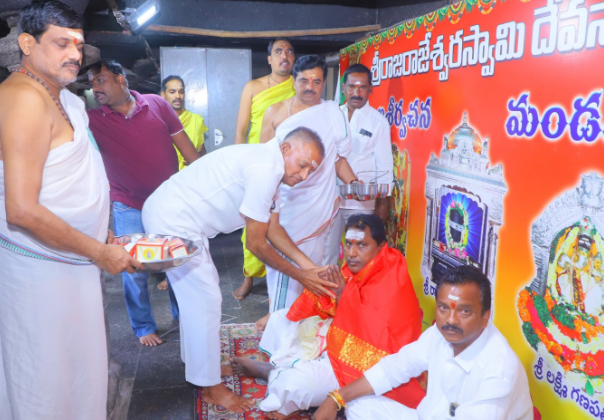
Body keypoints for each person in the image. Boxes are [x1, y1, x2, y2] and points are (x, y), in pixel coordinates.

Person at [0, 2, 140, 418]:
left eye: (79, 44)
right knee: (46, 373)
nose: (74, 53)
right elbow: (22, 211)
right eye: (61, 43)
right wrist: (100, 252)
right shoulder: (23, 101)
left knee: (75, 366)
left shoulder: (60, 95)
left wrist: (99, 233)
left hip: (73, 260)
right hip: (41, 267)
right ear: (28, 44)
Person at [142, 127, 338, 414]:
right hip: (174, 220)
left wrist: (311, 267)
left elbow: (273, 229)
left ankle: (198, 365)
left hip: (177, 217)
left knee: (196, 300)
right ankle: (210, 387)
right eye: (303, 164)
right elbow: (258, 245)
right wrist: (301, 276)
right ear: (286, 149)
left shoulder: (271, 167)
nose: (305, 175)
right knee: (205, 300)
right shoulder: (265, 168)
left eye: (312, 170)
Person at [231, 213, 426, 419]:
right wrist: (328, 292)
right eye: (349, 243)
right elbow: (330, 309)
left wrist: (342, 298)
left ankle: (275, 375)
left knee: (295, 385)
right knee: (281, 319)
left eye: (362, 245)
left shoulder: (393, 278)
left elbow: (374, 342)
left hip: (359, 368)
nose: (351, 253)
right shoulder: (360, 265)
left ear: (380, 247)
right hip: (337, 343)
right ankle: (274, 369)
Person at [313, 265, 534, 420]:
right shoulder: (440, 334)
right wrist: (336, 397)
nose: (450, 320)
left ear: (486, 316)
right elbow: (396, 367)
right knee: (359, 405)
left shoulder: (500, 368)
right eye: (443, 307)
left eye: (465, 311)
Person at [88, 61, 199, 344]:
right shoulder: (92, 119)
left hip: (168, 203)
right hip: (128, 204)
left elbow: (185, 146)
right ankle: (143, 327)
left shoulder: (157, 105)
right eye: (92, 83)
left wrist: (201, 184)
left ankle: (183, 315)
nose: (95, 87)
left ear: (121, 79)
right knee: (132, 267)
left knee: (176, 262)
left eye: (101, 80)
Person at [258, 54, 358, 325]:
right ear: (293, 81)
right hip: (283, 207)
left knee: (316, 268)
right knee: (282, 270)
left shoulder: (333, 114)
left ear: (324, 84)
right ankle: (279, 321)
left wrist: (356, 185)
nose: (310, 87)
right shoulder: (275, 113)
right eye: (304, 80)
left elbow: (339, 159)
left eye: (316, 81)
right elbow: (261, 163)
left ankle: (306, 322)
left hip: (319, 209)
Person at [233, 38, 296, 301]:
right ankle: (249, 276)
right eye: (278, 51)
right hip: (257, 162)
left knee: (284, 222)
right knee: (254, 221)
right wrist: (238, 166)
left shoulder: (300, 87)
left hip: (291, 166)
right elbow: (241, 129)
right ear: (269, 58)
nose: (285, 56)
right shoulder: (253, 87)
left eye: (289, 52)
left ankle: (284, 279)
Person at [324, 63, 393, 266]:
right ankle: (329, 297)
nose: (357, 92)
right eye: (352, 86)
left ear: (370, 89)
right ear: (344, 88)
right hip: (330, 199)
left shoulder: (378, 122)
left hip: (360, 203)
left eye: (362, 87)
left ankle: (357, 296)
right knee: (326, 255)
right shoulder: (332, 116)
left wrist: (383, 204)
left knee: (359, 256)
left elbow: (385, 166)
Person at [161, 75, 207, 170]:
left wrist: (195, 156)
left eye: (181, 92)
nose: (178, 96)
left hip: (190, 177)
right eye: (172, 92)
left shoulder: (194, 119)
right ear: (163, 94)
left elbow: (202, 150)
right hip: (166, 178)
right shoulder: (158, 121)